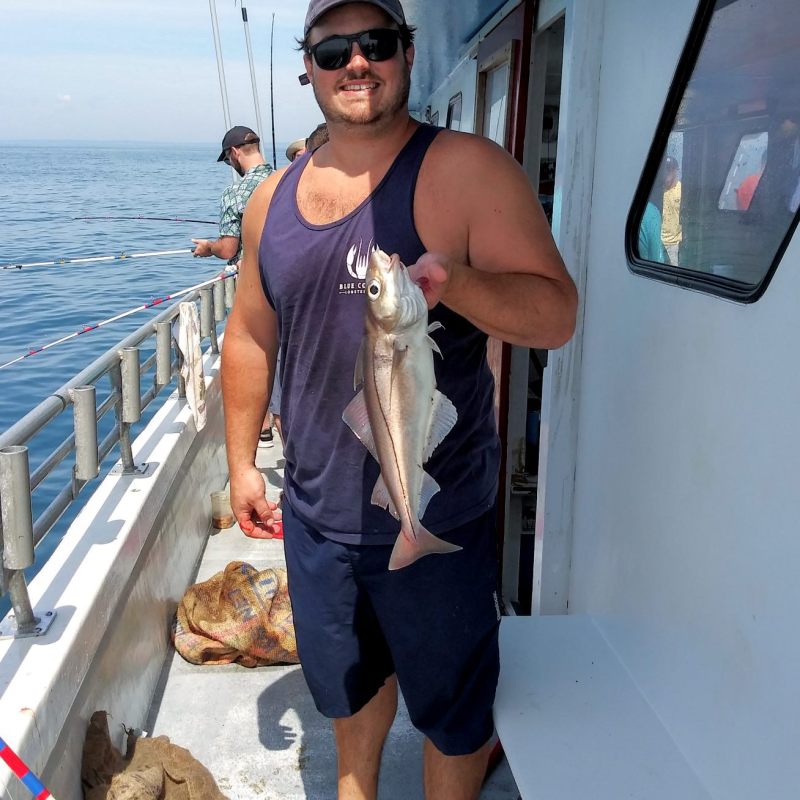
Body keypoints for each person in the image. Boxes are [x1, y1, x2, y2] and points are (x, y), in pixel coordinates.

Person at [221, 1, 577, 798]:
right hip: (316, 517)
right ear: (307, 65)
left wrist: (460, 284)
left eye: (375, 43)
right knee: (352, 692)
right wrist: (241, 463)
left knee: (453, 712)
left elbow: (554, 315)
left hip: (437, 509)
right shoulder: (267, 200)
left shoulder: (468, 170)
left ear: (406, 54)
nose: (356, 62)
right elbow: (248, 336)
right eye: (334, 48)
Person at [193, 125, 275, 446]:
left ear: (234, 154)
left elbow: (228, 249)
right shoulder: (288, 179)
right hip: (294, 283)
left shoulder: (236, 194)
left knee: (259, 354)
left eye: (228, 161)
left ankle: (265, 425)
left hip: (257, 290)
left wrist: (207, 248)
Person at [661, 156, 682, 266]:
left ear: (676, 171)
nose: (667, 173)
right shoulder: (658, 190)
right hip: (658, 242)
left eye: (670, 169)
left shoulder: (682, 190)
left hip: (674, 245)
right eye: (665, 169)